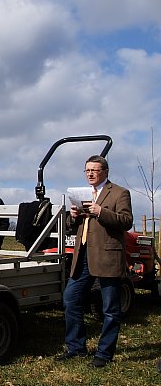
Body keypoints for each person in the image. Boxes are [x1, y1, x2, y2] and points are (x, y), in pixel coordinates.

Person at [56, 156, 133, 368]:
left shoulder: (119, 193)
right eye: (87, 170)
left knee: (110, 309)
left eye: (94, 170)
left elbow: (126, 221)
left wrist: (102, 212)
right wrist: (73, 216)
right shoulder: (83, 194)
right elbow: (77, 225)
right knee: (70, 299)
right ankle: (76, 348)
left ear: (105, 171)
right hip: (83, 257)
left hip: (107, 256)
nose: (90, 174)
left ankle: (104, 354)